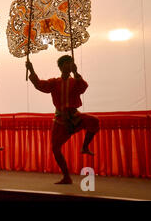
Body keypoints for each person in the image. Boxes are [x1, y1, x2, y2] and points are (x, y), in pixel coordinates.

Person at [26, 55, 100, 184]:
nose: (68, 65)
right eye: (66, 63)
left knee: (94, 120)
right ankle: (66, 176)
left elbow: (83, 88)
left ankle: (85, 147)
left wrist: (76, 72)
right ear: (60, 66)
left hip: (75, 116)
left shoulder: (75, 81)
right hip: (60, 119)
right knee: (55, 148)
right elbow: (40, 85)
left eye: (71, 63)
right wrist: (31, 70)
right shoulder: (54, 82)